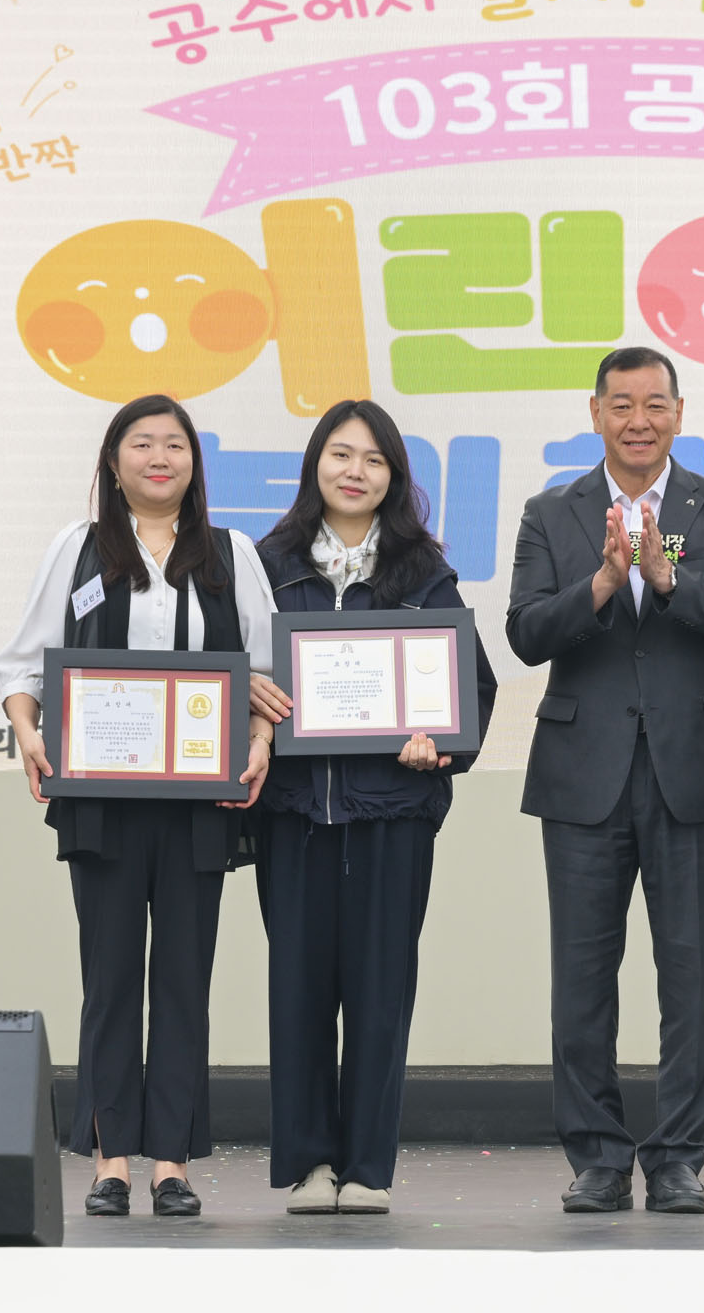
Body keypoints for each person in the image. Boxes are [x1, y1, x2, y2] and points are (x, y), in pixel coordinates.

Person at [0, 393, 278, 1219]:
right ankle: (111, 1158)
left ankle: (172, 1163)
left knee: (185, 980)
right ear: (114, 463)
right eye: (142, 443)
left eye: (175, 444)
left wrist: (261, 741)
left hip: (200, 803)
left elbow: (266, 672)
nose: (160, 457)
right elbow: (22, 664)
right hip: (103, 802)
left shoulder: (232, 553)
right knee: (110, 979)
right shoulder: (77, 549)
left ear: (195, 462)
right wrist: (28, 732)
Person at [506, 346, 704, 1216]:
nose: (639, 421)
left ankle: (678, 1157)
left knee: (691, 976)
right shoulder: (552, 513)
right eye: (621, 405)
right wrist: (602, 585)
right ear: (595, 414)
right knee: (582, 978)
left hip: (695, 769)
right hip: (583, 772)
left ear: (679, 414)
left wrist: (667, 579)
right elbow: (525, 633)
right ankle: (597, 1157)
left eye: (655, 404)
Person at [249, 398, 498, 1217]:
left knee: (381, 990)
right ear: (315, 464)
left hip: (391, 813)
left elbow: (472, 686)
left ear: (394, 476)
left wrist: (441, 744)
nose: (355, 471)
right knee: (298, 991)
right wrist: (249, 696)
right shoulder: (266, 564)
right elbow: (232, 666)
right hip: (293, 812)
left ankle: (366, 1169)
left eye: (374, 459)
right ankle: (308, 1166)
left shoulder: (424, 572)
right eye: (340, 454)